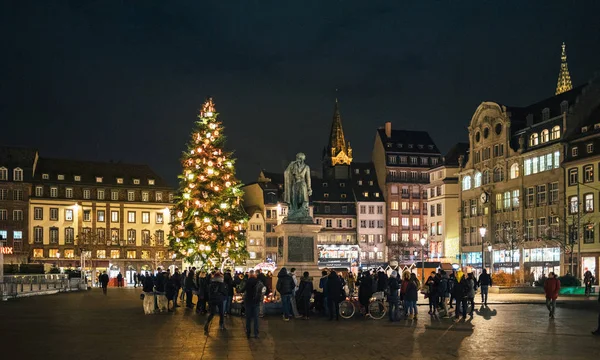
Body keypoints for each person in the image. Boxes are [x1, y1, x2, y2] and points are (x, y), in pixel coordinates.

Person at [241, 270, 261, 338]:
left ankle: (248, 333)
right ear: (255, 275)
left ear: (249, 275)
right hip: (256, 301)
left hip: (248, 301)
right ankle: (256, 333)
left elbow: (242, 290)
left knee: (248, 318)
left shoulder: (247, 282)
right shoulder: (258, 281)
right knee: (256, 318)